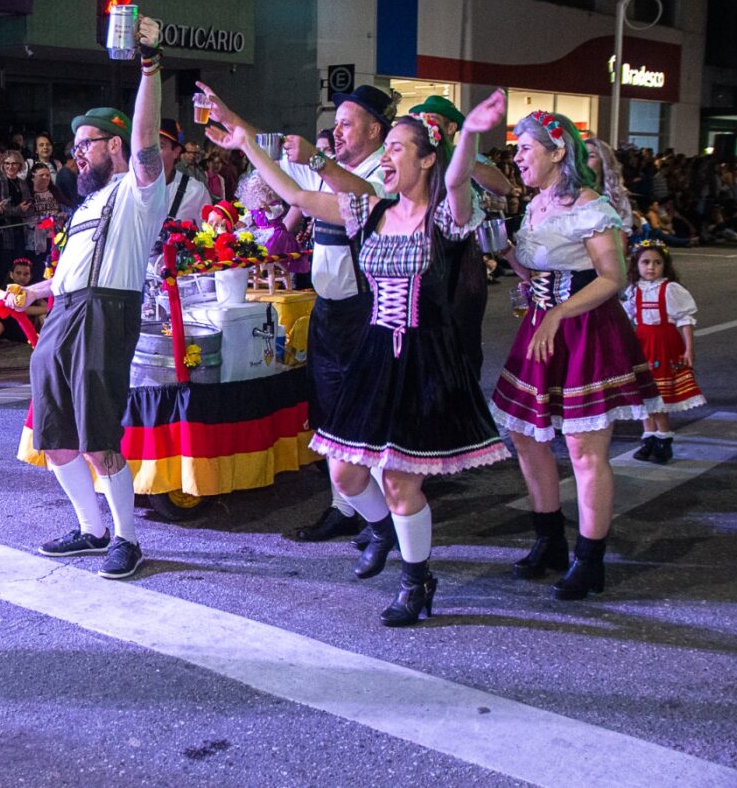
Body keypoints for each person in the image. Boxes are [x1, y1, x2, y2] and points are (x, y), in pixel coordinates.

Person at [209, 95, 512, 626]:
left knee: (400, 481)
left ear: (425, 159)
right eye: (387, 148)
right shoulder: (368, 209)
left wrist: (469, 136)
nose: (389, 158)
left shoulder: (446, 217)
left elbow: (460, 180)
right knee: (345, 471)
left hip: (425, 357)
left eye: (399, 148)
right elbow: (295, 191)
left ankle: (417, 581)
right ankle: (384, 531)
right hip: (374, 351)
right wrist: (245, 144)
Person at [10, 13, 170, 581]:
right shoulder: (84, 207)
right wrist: (30, 290)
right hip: (64, 312)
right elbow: (68, 273)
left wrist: (149, 66)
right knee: (55, 436)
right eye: (75, 145)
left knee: (100, 437)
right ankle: (91, 528)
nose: (77, 153)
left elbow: (148, 142)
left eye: (87, 144)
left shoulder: (138, 192)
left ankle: (128, 539)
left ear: (115, 144)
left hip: (107, 312)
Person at [490, 111, 662, 601]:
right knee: (525, 436)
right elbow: (536, 271)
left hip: (584, 329)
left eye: (525, 148)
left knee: (585, 452)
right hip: (544, 326)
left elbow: (613, 278)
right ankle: (550, 541)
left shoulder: (590, 206)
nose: (517, 157)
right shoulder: (539, 204)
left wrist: (557, 314)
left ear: (557, 150)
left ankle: (591, 560)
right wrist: (507, 256)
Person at [222, 82, 393, 545]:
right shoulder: (336, 168)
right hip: (330, 309)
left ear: (375, 129)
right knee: (331, 412)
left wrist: (315, 161)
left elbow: (310, 194)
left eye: (345, 124)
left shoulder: (382, 173)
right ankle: (350, 507)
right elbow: (274, 153)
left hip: (369, 311)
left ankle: (381, 512)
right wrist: (234, 123)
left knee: (365, 415)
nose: (335, 132)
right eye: (334, 124)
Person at [407, 95, 513, 371]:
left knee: (462, 336)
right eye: (418, 120)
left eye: (430, 120)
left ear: (451, 128)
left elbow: (503, 187)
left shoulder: (467, 156)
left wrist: (458, 159)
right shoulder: (414, 159)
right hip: (421, 251)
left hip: (462, 256)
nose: (423, 125)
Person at [623, 239, 705, 464]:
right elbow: (626, 319)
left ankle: (663, 439)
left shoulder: (670, 289)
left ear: (665, 265)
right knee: (642, 394)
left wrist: (688, 349)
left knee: (657, 395)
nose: (651, 267)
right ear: (636, 265)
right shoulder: (633, 290)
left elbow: (684, 320)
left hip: (664, 345)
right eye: (645, 262)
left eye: (657, 262)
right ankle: (649, 436)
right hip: (642, 345)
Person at [0, 149, 33, 285]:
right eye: (7, 163)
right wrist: (17, 209)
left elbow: (27, 206)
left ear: (20, 165)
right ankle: (0, 300)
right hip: (4, 233)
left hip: (20, 230)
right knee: (4, 269)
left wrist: (20, 209)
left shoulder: (22, 182)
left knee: (19, 267)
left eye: (14, 164)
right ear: (3, 165)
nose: (11, 167)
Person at [159, 118, 212, 222]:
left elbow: (207, 234)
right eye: (148, 145)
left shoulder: (195, 191)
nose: (151, 151)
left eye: (160, 146)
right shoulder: (129, 188)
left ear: (176, 152)